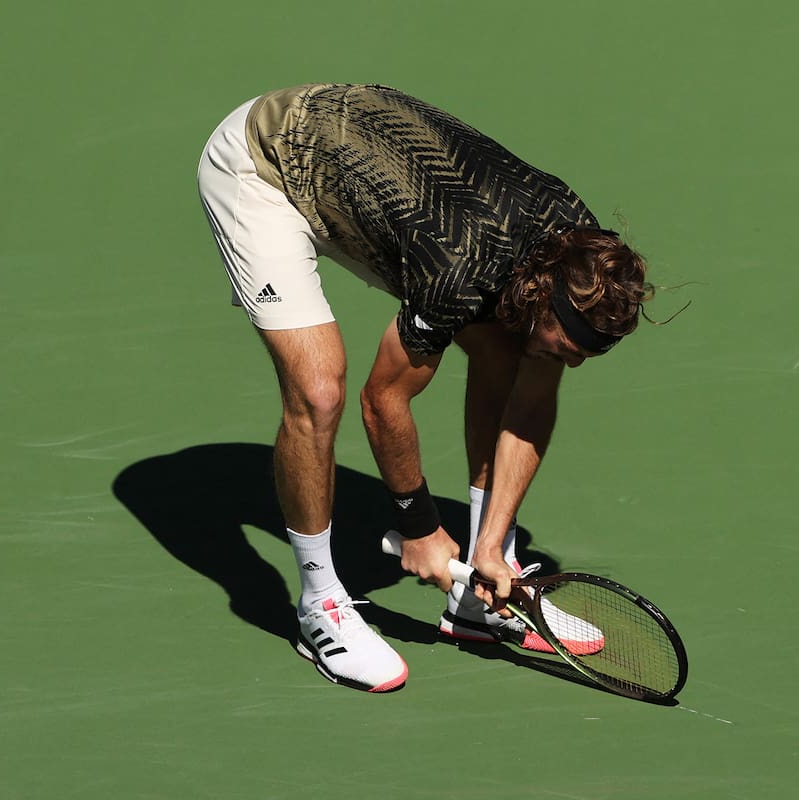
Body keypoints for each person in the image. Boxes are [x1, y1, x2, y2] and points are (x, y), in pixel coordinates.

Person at [197, 84, 651, 692]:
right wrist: (418, 526)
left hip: (372, 178)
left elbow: (531, 398)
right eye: (567, 350)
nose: (571, 366)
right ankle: (319, 605)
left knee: (508, 353)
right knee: (318, 389)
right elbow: (383, 400)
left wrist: (488, 545)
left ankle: (481, 594)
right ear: (545, 302)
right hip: (266, 165)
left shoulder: (581, 258)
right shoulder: (456, 271)